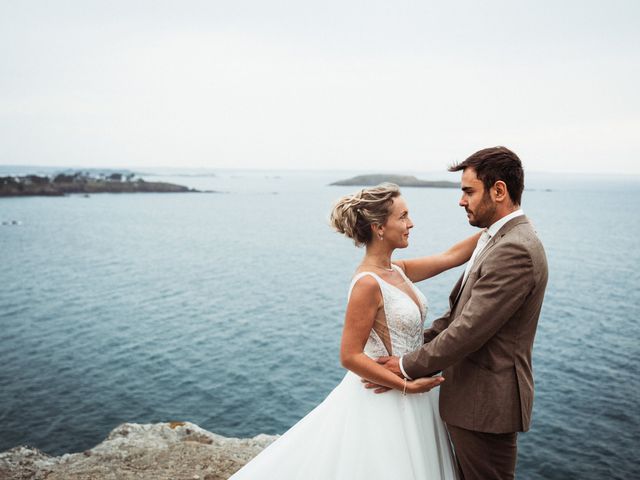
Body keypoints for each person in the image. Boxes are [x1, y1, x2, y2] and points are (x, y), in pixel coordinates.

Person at [229, 183, 481, 479]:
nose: (410, 223)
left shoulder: (397, 270)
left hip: (417, 393)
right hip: (388, 397)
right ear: (379, 228)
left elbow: (451, 256)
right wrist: (404, 385)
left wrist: (499, 225)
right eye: (403, 216)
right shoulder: (367, 284)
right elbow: (349, 355)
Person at [371, 147, 549, 480]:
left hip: (486, 404)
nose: (461, 200)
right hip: (471, 400)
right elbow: (456, 316)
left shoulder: (515, 249)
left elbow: (468, 330)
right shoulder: (496, 237)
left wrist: (406, 366)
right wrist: (406, 349)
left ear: (499, 191)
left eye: (468, 191)